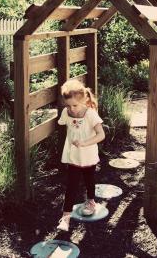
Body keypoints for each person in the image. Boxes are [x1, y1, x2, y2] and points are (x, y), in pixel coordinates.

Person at [57, 79, 105, 231]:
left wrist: (85, 143)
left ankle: (91, 201)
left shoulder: (91, 114)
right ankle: (65, 218)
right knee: (71, 185)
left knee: (89, 180)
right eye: (68, 105)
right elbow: (64, 123)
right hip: (73, 156)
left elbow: (101, 135)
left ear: (84, 99)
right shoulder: (66, 112)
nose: (72, 109)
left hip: (88, 155)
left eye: (75, 105)